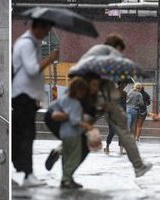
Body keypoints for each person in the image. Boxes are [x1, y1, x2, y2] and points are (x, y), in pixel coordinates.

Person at [46, 34, 153, 178]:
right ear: (117, 46)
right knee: (123, 130)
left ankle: (59, 150)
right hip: (103, 96)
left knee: (82, 126)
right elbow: (115, 68)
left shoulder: (92, 53)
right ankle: (138, 166)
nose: (120, 53)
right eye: (121, 50)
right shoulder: (111, 54)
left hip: (86, 93)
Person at [12, 18, 59, 187]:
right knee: (27, 135)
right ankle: (27, 174)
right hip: (22, 96)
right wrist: (50, 58)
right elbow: (32, 70)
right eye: (46, 30)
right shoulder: (26, 44)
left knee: (24, 135)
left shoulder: (32, 44)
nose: (47, 34)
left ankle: (23, 170)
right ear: (38, 27)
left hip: (26, 96)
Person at [54, 77, 92, 188]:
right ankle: (66, 179)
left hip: (64, 133)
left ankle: (68, 179)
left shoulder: (63, 99)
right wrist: (88, 126)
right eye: (83, 91)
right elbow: (75, 121)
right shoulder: (76, 104)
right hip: (74, 134)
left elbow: (57, 113)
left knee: (66, 157)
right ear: (78, 91)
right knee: (74, 159)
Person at [104, 80, 128, 155]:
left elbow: (124, 105)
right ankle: (107, 146)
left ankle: (121, 148)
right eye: (123, 84)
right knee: (112, 132)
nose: (124, 85)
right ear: (119, 84)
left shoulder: (125, 93)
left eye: (125, 84)